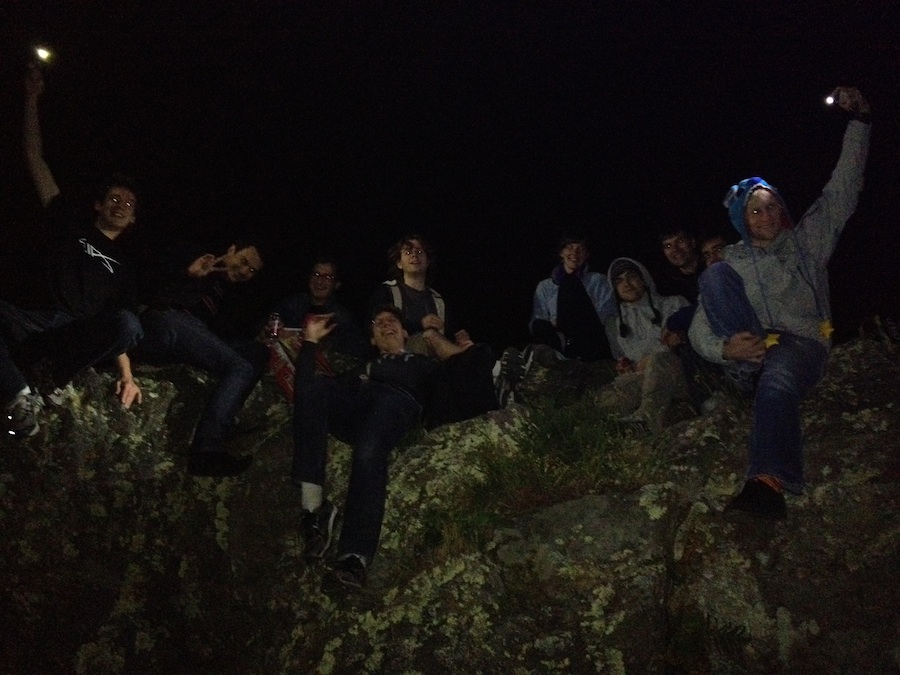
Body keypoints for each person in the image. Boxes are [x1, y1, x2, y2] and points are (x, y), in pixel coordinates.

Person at [689, 86, 871, 521]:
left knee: (778, 380)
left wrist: (860, 120)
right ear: (742, 220)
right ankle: (743, 368)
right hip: (751, 347)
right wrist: (723, 349)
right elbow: (699, 323)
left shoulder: (807, 242)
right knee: (713, 275)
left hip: (799, 344)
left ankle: (768, 485)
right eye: (755, 211)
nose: (767, 217)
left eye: (772, 207)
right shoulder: (732, 259)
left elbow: (843, 187)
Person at [293, 305, 499, 591]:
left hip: (396, 402)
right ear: (373, 341)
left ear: (405, 332)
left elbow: (466, 370)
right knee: (316, 388)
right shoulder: (363, 368)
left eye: (393, 321)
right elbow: (303, 392)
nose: (386, 325)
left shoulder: (422, 364)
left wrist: (468, 352)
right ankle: (313, 511)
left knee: (368, 449)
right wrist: (311, 342)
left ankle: (354, 558)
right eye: (378, 323)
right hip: (357, 401)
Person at [2, 64, 143, 437]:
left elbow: (118, 329)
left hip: (68, 334)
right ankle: (18, 394)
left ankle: (51, 379)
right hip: (28, 316)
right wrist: (32, 99)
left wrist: (127, 376)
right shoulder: (70, 222)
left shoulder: (124, 267)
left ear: (132, 221)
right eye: (113, 198)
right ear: (98, 205)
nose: (119, 205)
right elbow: (36, 159)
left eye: (128, 204)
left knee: (130, 324)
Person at [135, 241, 269, 477]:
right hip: (167, 322)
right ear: (231, 251)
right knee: (240, 367)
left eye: (252, 271)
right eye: (244, 261)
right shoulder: (198, 260)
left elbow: (226, 333)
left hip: (196, 333)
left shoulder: (230, 293)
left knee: (258, 352)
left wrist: (262, 333)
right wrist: (189, 274)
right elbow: (147, 285)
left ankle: (226, 413)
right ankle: (206, 451)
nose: (245, 271)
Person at [600, 258, 689, 432]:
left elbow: (685, 344)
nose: (626, 284)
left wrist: (651, 360)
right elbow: (620, 358)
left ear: (643, 279)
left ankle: (645, 421)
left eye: (631, 276)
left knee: (659, 359)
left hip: (676, 374)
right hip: (642, 380)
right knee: (605, 400)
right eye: (619, 281)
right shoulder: (614, 324)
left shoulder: (674, 303)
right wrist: (624, 366)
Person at [369, 234, 469, 356]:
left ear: (428, 262)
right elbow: (375, 327)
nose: (414, 255)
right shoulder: (386, 292)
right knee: (430, 335)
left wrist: (460, 337)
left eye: (420, 252)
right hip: (400, 355)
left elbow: (450, 332)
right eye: (407, 252)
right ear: (399, 263)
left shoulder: (438, 300)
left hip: (436, 363)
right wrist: (419, 325)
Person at [530, 234, 616, 361]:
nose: (575, 253)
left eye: (580, 249)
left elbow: (607, 312)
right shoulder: (545, 286)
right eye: (569, 248)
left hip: (590, 335)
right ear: (561, 252)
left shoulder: (598, 280)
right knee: (538, 325)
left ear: (586, 255)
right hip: (558, 335)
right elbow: (538, 317)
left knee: (570, 283)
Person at [272, 255, 369, 361]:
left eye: (327, 277)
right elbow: (266, 330)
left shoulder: (343, 319)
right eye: (316, 274)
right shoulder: (291, 304)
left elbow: (357, 354)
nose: (320, 281)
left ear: (336, 285)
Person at [657, 227, 703, 303]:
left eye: (680, 241)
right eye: (668, 246)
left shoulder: (712, 266)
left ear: (692, 242)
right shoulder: (668, 287)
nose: (675, 249)